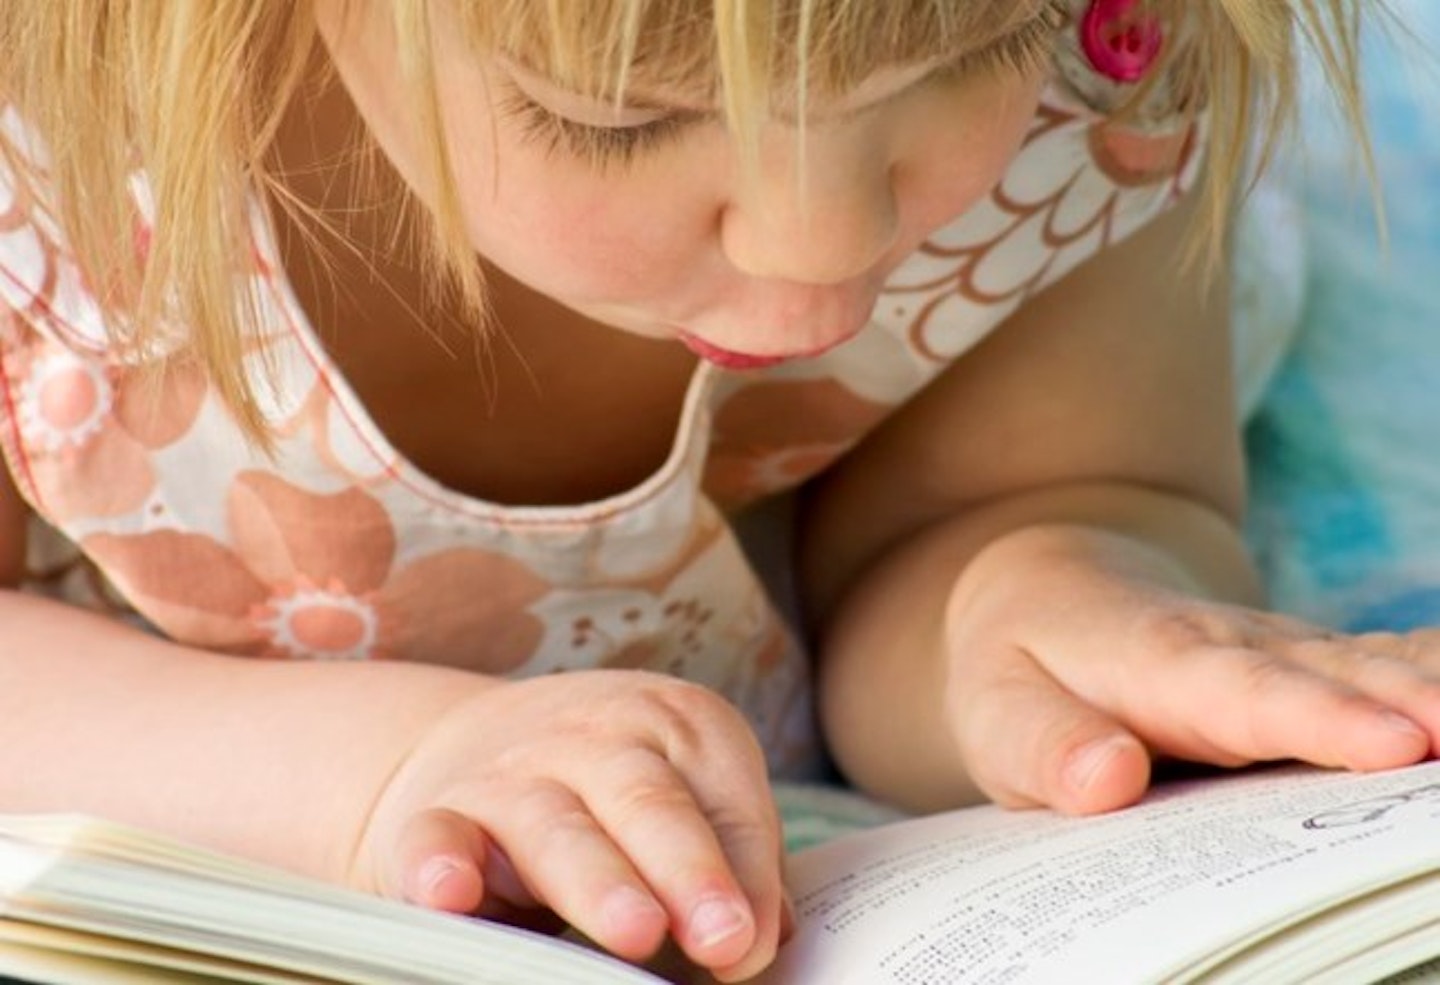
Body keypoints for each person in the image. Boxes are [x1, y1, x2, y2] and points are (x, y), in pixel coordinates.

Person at [0, 0, 1423, 980]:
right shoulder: (41, 154)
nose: (825, 244)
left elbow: (1006, 500)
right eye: (619, 120)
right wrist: (376, 771)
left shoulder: (1088, 85)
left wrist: (1041, 595)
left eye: (971, 46)